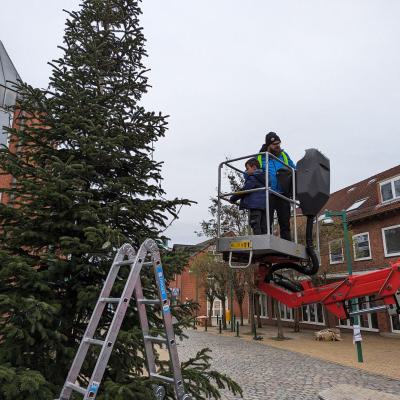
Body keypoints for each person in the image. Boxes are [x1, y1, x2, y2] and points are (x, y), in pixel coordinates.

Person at [258, 132, 296, 241]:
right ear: (269, 145)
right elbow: (251, 171)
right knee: (267, 221)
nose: (278, 146)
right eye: (275, 144)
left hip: (283, 193)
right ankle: (266, 242)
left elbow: (294, 168)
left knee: (285, 222)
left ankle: (287, 245)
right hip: (268, 193)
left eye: (279, 143)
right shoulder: (261, 157)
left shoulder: (284, 155)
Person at [229, 158, 267, 235]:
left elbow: (245, 190)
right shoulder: (264, 177)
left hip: (255, 205)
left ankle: (258, 242)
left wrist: (233, 198)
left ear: (254, 168)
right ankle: (264, 239)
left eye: (247, 168)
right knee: (263, 225)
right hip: (264, 206)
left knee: (255, 224)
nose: (245, 171)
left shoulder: (253, 177)